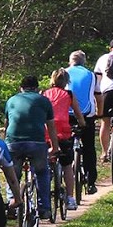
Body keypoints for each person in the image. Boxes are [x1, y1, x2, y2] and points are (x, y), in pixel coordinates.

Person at [4, 76, 56, 219]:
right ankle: (44, 208)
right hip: (37, 143)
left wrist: (5, 143)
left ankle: (11, 202)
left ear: (21, 88)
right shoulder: (44, 101)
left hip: (13, 143)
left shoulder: (11, 100)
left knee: (12, 174)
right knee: (42, 172)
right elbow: (51, 127)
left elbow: (7, 125)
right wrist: (55, 147)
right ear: (37, 88)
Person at [42, 69, 87, 199]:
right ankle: (70, 198)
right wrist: (82, 124)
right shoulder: (69, 94)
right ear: (67, 81)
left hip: (46, 132)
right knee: (67, 165)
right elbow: (78, 113)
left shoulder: (44, 93)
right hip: (63, 132)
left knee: (45, 163)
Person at [66, 50, 99, 194]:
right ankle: (91, 182)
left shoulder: (63, 73)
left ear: (70, 61)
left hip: (66, 115)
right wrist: (100, 113)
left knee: (64, 146)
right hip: (86, 114)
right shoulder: (91, 74)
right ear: (84, 62)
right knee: (89, 148)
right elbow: (97, 94)